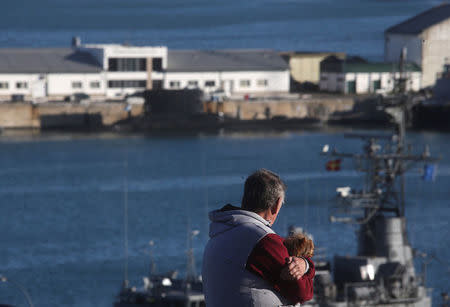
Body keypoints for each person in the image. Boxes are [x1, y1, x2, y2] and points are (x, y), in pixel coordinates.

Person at [202, 169, 315, 307]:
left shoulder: (219, 233)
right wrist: (307, 265)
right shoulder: (262, 241)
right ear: (276, 205)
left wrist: (304, 263)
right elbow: (302, 292)